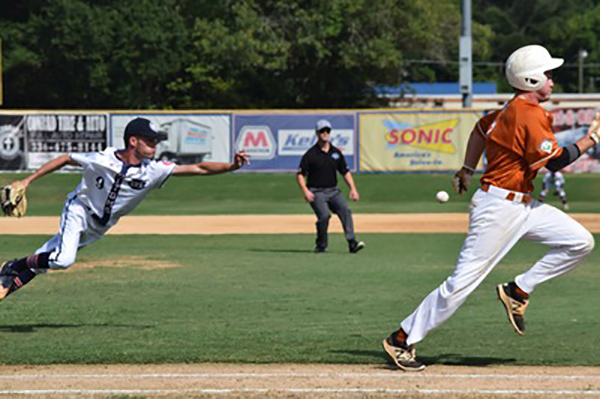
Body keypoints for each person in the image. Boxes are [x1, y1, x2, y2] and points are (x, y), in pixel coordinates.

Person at [383, 45, 597, 371]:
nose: (553, 80)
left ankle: (518, 290)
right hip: (499, 209)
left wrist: (467, 168)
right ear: (532, 77)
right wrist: (592, 138)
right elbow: (555, 161)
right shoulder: (528, 113)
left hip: (523, 205)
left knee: (580, 242)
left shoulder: (507, 111)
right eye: (549, 74)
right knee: (461, 283)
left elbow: (480, 131)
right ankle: (401, 339)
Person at [0, 117, 250, 301]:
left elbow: (198, 168)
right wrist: (26, 181)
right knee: (64, 259)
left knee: (45, 260)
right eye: (150, 141)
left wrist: (231, 166)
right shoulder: (103, 159)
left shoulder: (154, 170)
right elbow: (66, 158)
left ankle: (7, 282)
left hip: (99, 228)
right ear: (134, 141)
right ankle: (14, 264)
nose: (155, 145)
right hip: (79, 211)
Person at [296, 119, 365, 254]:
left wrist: (353, 189)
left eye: (327, 130)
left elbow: (345, 171)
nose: (325, 133)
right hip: (316, 192)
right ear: (317, 133)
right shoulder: (311, 154)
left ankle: (352, 242)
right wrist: (305, 191)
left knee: (345, 211)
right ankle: (321, 244)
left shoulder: (336, 153)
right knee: (324, 216)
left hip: (333, 191)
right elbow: (300, 174)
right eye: (322, 131)